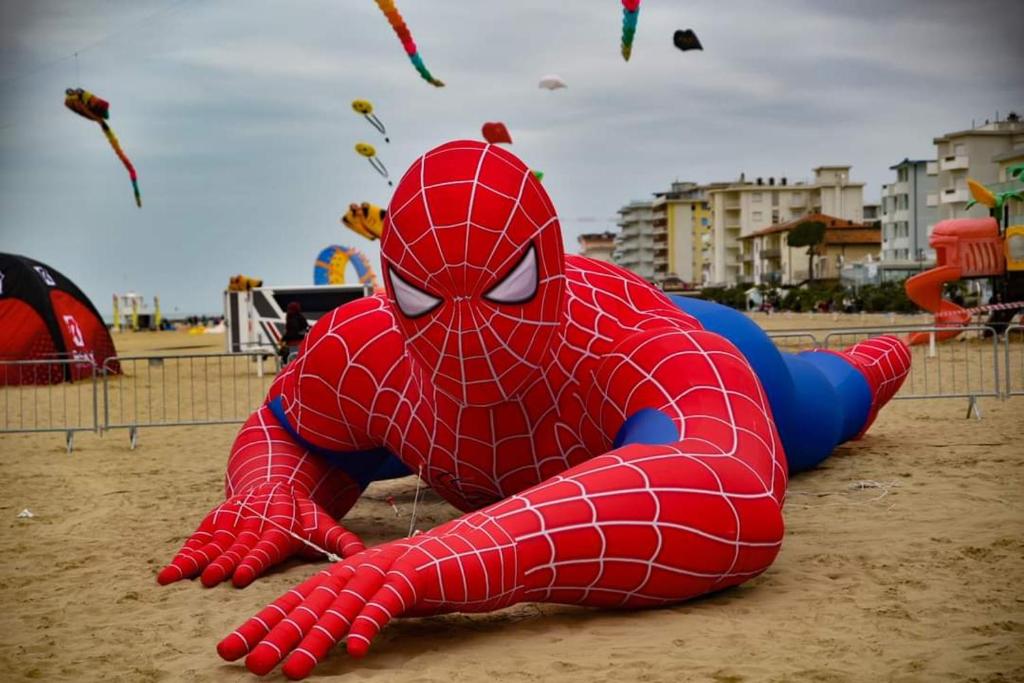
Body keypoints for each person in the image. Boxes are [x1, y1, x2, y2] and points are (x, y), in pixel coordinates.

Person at [278, 302, 309, 366]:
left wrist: (283, 339)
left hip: (293, 343)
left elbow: (292, 332)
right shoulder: (301, 317)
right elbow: (306, 328)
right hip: (302, 342)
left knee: (290, 359)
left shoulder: (291, 318)